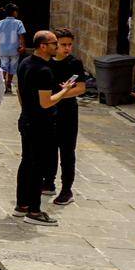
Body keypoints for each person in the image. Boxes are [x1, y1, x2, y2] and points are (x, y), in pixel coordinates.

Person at [15, 31, 82, 227]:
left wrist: (28, 110)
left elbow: (20, 92)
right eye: (54, 43)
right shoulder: (44, 71)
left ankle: (22, 205)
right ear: (43, 46)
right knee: (38, 167)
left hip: (26, 119)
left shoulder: (25, 63)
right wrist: (65, 90)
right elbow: (46, 102)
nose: (57, 47)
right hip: (40, 124)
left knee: (26, 163)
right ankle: (34, 211)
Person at [48, 29, 87, 205]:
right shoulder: (47, 61)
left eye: (69, 45)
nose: (67, 48)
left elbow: (80, 88)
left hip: (68, 112)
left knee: (67, 151)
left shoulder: (74, 63)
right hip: (49, 112)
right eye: (63, 45)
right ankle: (48, 182)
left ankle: (66, 189)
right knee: (49, 148)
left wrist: (60, 94)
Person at [0, 5, 26, 94]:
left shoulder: (1, 22)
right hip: (14, 49)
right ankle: (8, 84)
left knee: (3, 66)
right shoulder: (18, 23)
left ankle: (2, 84)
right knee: (13, 67)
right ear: (14, 12)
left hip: (3, 49)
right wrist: (23, 46)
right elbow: (21, 35)